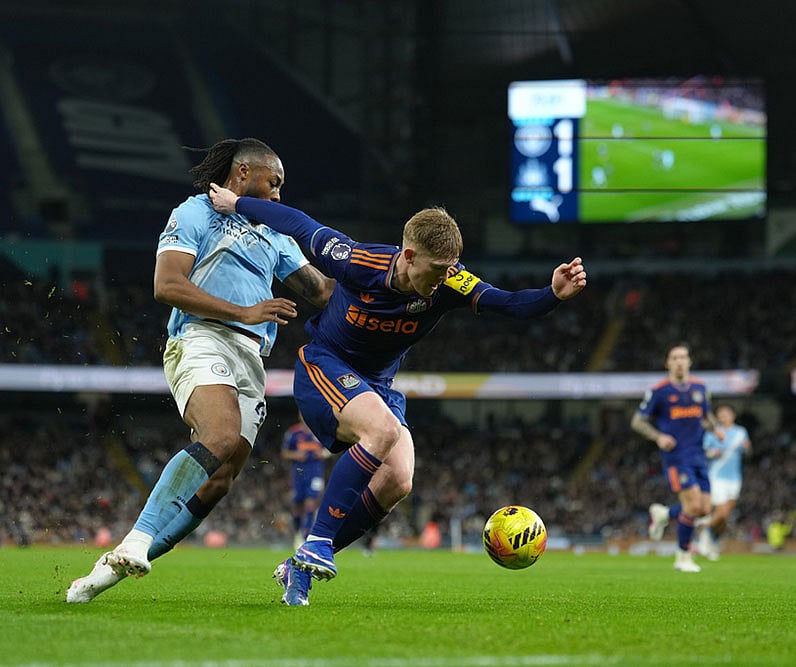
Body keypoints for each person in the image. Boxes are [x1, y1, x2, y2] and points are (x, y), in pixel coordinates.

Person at [208, 183, 587, 605]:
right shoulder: (358, 261)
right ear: (408, 256)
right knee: (383, 431)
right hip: (324, 366)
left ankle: (301, 566)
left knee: (399, 479)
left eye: (451, 268)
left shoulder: (451, 281)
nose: (444, 278)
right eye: (437, 269)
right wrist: (236, 203)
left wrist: (552, 294)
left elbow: (508, 303)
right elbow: (298, 223)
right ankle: (316, 542)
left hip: (376, 386)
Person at [66, 138, 336, 603]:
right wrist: (244, 312)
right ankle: (136, 540)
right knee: (220, 435)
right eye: (273, 183)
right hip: (201, 336)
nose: (278, 194)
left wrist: (385, 275)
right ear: (242, 172)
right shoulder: (196, 213)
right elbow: (167, 284)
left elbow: (324, 291)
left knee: (221, 478)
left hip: (251, 356)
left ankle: (113, 567)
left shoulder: (274, 234)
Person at [631, 342, 720, 573]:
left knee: (704, 509)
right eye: (674, 358)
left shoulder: (700, 388)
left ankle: (664, 513)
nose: (679, 361)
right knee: (692, 505)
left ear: (689, 361)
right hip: (677, 457)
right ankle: (682, 557)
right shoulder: (660, 391)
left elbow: (706, 416)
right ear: (668, 363)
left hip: (698, 454)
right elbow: (638, 421)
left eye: (683, 357)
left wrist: (715, 428)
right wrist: (658, 437)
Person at [696, 403, 750, 561]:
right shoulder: (713, 433)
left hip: (734, 478)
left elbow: (748, 452)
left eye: (725, 414)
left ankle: (712, 541)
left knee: (725, 517)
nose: (722, 417)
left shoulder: (740, 432)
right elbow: (704, 452)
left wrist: (747, 448)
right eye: (720, 415)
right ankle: (703, 534)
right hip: (717, 476)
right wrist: (714, 453)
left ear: (733, 415)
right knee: (722, 512)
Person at [281, 414, 332, 548]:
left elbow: (332, 447)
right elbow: (285, 453)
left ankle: (306, 536)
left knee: (311, 502)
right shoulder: (293, 432)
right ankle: (297, 531)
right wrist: (295, 455)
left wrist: (324, 453)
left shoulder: (320, 430)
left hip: (315, 472)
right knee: (297, 503)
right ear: (300, 415)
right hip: (299, 473)